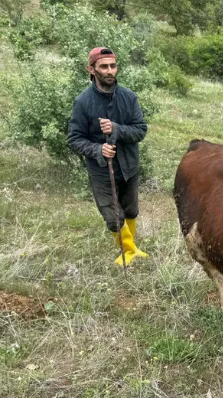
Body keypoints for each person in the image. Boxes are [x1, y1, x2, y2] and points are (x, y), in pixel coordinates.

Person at [66, 47, 149, 267]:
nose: (109, 71)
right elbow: (74, 138)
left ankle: (132, 249)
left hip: (129, 165)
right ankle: (129, 251)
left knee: (131, 209)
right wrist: (97, 150)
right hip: (101, 170)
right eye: (103, 66)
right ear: (91, 69)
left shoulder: (129, 98)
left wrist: (116, 128)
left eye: (113, 66)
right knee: (113, 216)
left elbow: (140, 130)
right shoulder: (83, 102)